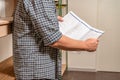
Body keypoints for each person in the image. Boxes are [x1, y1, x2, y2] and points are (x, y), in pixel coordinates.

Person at [13, 0, 98, 80]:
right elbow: (54, 40)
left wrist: (50, 20)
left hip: (36, 69)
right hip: (36, 72)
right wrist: (86, 45)